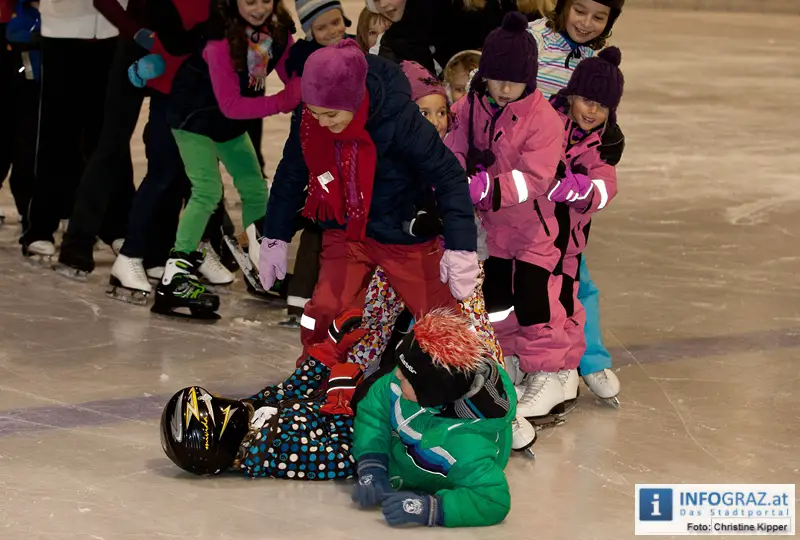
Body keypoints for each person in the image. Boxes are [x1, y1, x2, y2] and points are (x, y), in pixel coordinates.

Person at [259, 39, 478, 353]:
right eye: (315, 113)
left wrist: (460, 247)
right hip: (345, 227)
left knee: (439, 317)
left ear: (353, 101)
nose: (322, 123)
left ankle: (458, 374)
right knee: (326, 309)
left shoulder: (400, 119)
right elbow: (290, 174)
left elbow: (449, 176)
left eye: (330, 114)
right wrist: (275, 237)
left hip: (400, 229)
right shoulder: (310, 119)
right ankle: (317, 369)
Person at [445, 12, 568, 419]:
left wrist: (487, 189)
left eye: (512, 81)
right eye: (496, 79)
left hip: (533, 228)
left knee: (535, 301)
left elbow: (536, 176)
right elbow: (455, 143)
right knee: (497, 302)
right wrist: (453, 177)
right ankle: (509, 360)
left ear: (528, 78)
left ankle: (549, 372)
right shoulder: (472, 104)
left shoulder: (543, 119)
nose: (503, 88)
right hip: (494, 230)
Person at [150, 0, 301, 319]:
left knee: (255, 188)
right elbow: (232, 104)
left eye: (265, 0)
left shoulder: (276, 31)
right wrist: (282, 101)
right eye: (249, 1)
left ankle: (263, 269)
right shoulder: (218, 39)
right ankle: (174, 277)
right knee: (207, 191)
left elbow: (292, 75)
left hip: (227, 124)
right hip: (193, 117)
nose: (258, 8)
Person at [529, 0, 626, 404]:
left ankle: (590, 358)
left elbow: (603, 117)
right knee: (536, 278)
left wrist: (610, 143)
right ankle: (538, 358)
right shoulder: (533, 40)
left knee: (575, 277)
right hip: (529, 183)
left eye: (599, 17)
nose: (586, 23)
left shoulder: (596, 60)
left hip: (571, 190)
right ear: (563, 5)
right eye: (580, 11)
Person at [352, 309, 515, 528]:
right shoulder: (401, 384)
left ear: (430, 394)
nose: (396, 374)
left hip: (442, 456)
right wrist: (372, 461)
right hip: (413, 438)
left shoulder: (467, 449)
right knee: (363, 396)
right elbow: (373, 411)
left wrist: (432, 508)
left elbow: (493, 500)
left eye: (406, 376)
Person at [160, 310, 367, 478]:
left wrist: (328, 351)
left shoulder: (250, 416)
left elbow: (288, 390)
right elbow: (345, 460)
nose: (223, 399)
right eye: (218, 404)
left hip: (357, 399)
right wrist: (340, 406)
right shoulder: (278, 452)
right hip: (368, 420)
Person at [548, 47, 622, 405]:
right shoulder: (545, 124)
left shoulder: (602, 141)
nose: (592, 111)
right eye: (587, 101)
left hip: (570, 240)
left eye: (602, 106)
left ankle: (589, 361)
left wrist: (583, 190)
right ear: (571, 96)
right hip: (528, 234)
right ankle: (548, 364)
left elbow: (605, 187)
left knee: (580, 292)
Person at [19, 0, 118, 261]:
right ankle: (40, 227)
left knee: (108, 136)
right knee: (57, 134)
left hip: (115, 29)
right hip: (62, 32)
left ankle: (115, 226)